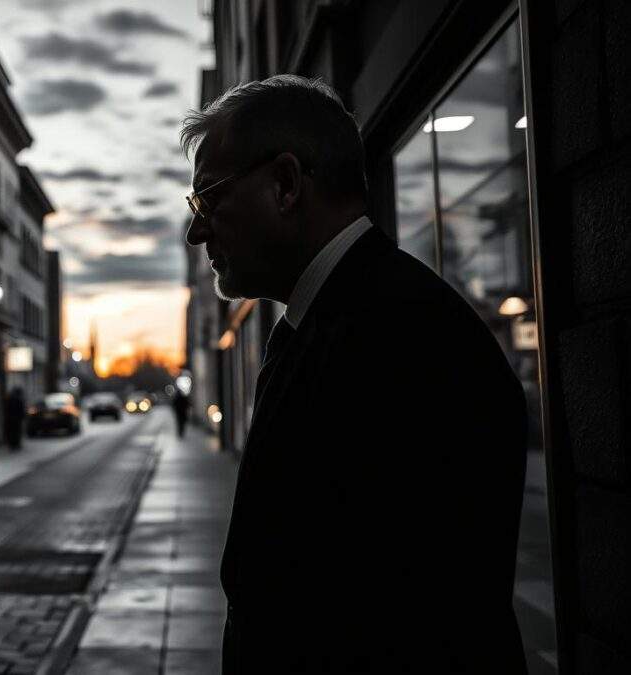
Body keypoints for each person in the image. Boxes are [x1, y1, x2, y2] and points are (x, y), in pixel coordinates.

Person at [181, 75, 527, 673]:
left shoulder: (401, 339)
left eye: (208, 200)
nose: (198, 230)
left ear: (286, 184)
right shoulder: (345, 319)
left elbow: (399, 620)